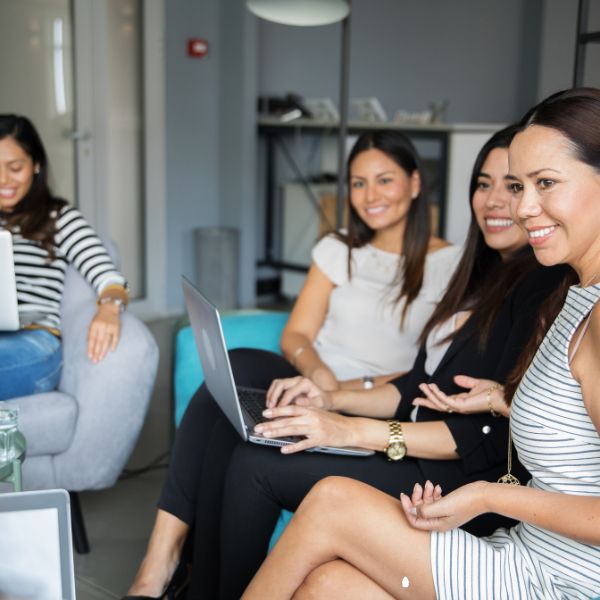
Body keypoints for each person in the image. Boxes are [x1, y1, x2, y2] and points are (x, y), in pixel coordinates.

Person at [241, 87, 600, 600]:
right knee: (328, 585)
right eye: (521, 187)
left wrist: (484, 494)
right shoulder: (574, 297)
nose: (523, 208)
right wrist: (503, 399)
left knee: (332, 501)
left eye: (544, 183)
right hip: (528, 550)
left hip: (563, 580)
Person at [123, 130, 462, 598]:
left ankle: (193, 582)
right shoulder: (338, 249)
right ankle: (158, 565)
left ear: (416, 182)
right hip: (314, 381)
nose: (370, 196)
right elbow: (296, 334)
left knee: (241, 438)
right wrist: (319, 377)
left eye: (385, 180)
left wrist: (343, 391)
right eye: (358, 183)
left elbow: (430, 373)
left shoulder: (455, 266)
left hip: (377, 403)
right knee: (234, 376)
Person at [0, 115, 128, 401]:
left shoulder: (59, 218)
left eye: (15, 167)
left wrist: (110, 307)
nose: (3, 179)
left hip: (32, 341)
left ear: (35, 165)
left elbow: (107, 274)